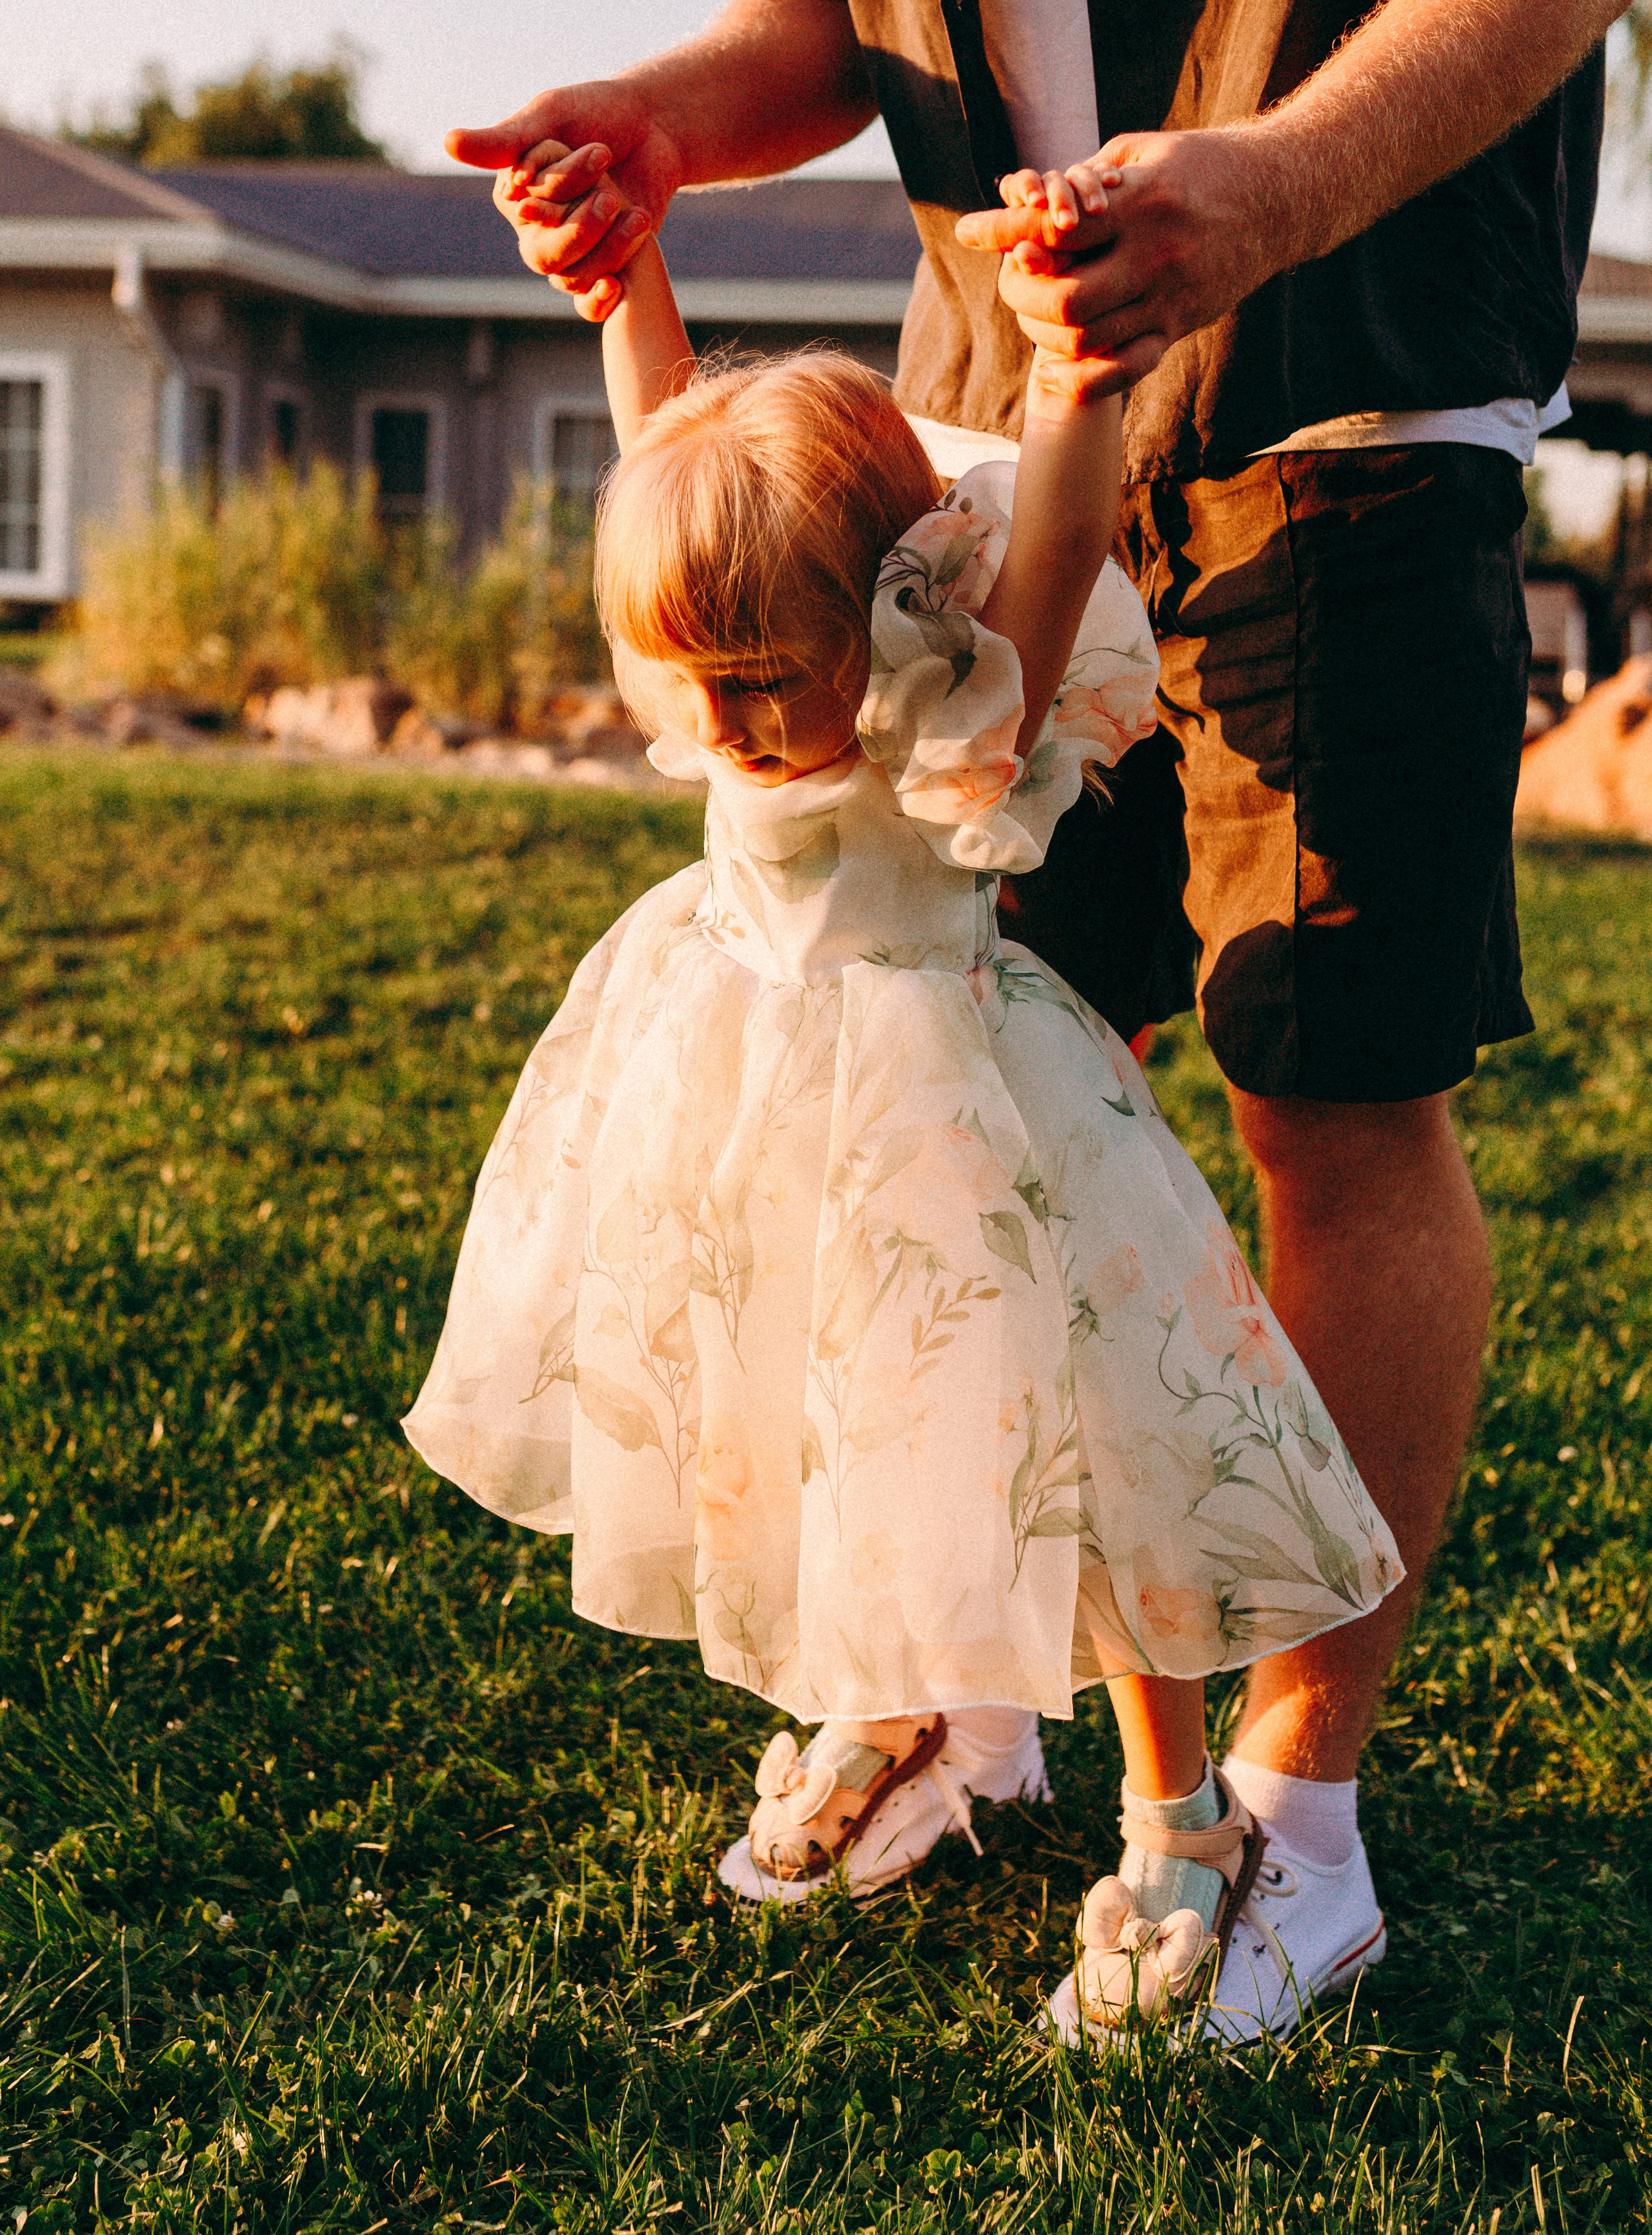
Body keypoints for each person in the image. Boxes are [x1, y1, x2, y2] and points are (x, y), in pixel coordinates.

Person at [445, 0, 1617, 2042]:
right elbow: (848, 40)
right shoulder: (815, 627)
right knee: (882, 1305)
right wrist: (647, 155)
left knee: (1317, 1106)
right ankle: (951, 1699)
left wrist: (1255, 202)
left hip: (1336, 393)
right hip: (954, 433)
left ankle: (1274, 1817)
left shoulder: (951, 680)